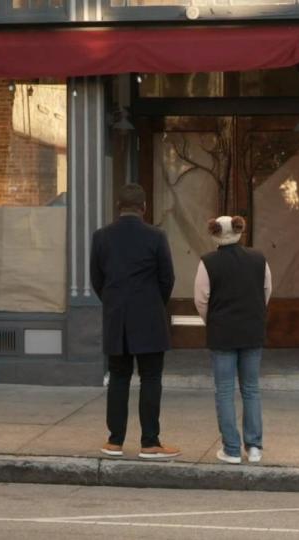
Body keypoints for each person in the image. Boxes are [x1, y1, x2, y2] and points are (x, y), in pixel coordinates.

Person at [90, 184, 180, 460]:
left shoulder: (101, 236)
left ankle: (114, 441)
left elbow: (97, 279)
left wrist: (114, 303)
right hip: (149, 318)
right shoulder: (156, 236)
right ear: (143, 207)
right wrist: (154, 303)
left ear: (118, 206)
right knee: (151, 378)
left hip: (117, 319)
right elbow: (167, 278)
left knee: (118, 378)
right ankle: (150, 442)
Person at [194, 216, 272, 464]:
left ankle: (231, 448)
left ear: (215, 234)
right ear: (240, 232)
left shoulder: (207, 262)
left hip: (222, 333)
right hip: (252, 330)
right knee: (251, 389)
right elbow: (267, 291)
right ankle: (255, 446)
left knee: (225, 391)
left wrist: (213, 320)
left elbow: (201, 299)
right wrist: (255, 313)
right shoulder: (259, 259)